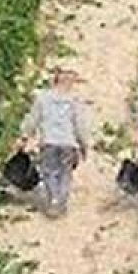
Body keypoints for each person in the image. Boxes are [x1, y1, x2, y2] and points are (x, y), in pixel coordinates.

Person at [18, 68, 90, 217]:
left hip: (48, 141)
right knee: (65, 173)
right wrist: (84, 145)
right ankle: (60, 202)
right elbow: (80, 126)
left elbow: (32, 119)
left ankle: (54, 199)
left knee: (49, 172)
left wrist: (25, 136)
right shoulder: (74, 101)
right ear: (70, 83)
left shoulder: (43, 98)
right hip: (68, 143)